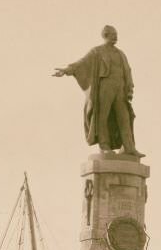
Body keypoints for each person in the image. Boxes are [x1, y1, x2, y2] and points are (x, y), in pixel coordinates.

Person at [53, 25, 144, 157]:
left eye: (116, 34)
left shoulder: (120, 53)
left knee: (124, 117)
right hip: (105, 87)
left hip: (120, 88)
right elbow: (81, 63)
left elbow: (128, 71)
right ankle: (104, 145)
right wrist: (66, 70)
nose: (116, 37)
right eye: (113, 34)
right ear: (106, 35)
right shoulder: (97, 51)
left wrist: (129, 88)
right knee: (102, 116)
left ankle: (129, 147)